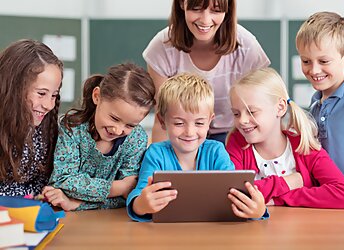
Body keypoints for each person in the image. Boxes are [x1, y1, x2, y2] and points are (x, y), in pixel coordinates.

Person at [127, 73, 267, 222]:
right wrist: (141, 205)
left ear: (209, 121)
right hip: (168, 236)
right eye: (179, 123)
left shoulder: (216, 151)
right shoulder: (156, 154)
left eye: (199, 123)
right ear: (162, 121)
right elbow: (139, 195)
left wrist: (258, 210)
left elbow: (237, 194)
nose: (189, 132)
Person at [143, 0, 270, 143]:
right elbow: (163, 122)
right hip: (183, 136)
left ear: (227, 9)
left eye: (216, 11)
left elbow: (264, 112)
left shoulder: (247, 46)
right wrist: (161, 162)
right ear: (182, 4)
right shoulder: (162, 47)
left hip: (233, 134)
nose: (205, 20)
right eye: (196, 9)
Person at [226, 67, 344, 208]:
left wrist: (279, 199)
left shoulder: (303, 146)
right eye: (236, 114)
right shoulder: (238, 143)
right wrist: (288, 182)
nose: (242, 120)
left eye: (251, 112)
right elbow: (233, 193)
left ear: (280, 108)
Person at [43, 63, 155, 211]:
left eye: (130, 125)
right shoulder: (72, 128)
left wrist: (76, 203)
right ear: (97, 97)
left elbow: (128, 196)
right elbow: (62, 181)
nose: (118, 130)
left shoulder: (136, 138)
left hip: (113, 223)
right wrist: (118, 187)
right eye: (114, 118)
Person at [0, 39, 63, 196]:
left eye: (54, 95)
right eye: (41, 93)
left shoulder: (45, 129)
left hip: (28, 212)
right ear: (14, 87)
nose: (49, 105)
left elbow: (42, 182)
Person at [295, 11, 344, 181]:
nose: (314, 70)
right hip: (328, 198)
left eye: (324, 61)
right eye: (306, 61)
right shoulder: (314, 104)